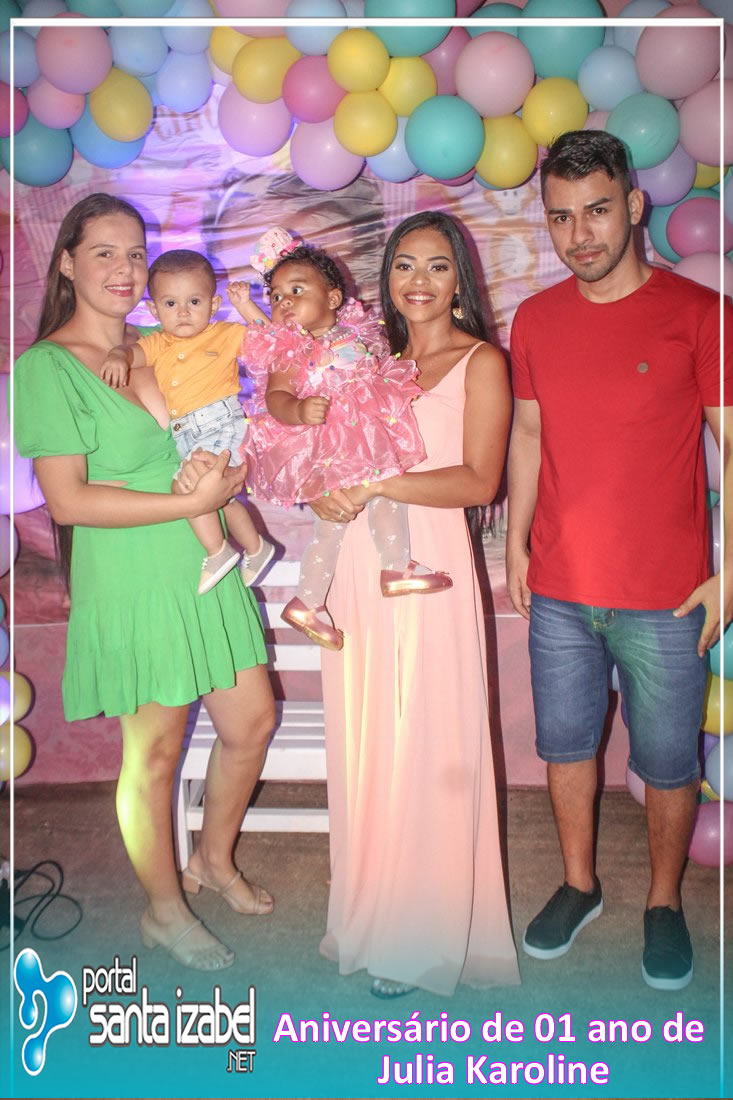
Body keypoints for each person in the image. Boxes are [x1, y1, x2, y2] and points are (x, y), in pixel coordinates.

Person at [13, 193, 277, 972]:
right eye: (104, 252)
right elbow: (68, 500)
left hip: (204, 562)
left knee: (251, 723)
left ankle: (213, 861)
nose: (125, 268)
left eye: (135, 252)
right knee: (154, 755)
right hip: (131, 573)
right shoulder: (46, 367)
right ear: (67, 262)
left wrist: (229, 476)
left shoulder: (158, 341)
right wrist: (190, 503)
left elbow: (209, 428)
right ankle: (163, 910)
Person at [506, 129, 732, 991]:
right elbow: (528, 437)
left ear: (633, 206)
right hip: (561, 589)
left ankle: (663, 902)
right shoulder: (534, 319)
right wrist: (514, 540)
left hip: (666, 598)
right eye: (561, 217)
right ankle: (579, 885)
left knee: (669, 762)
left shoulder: (701, 315)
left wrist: (730, 572)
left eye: (596, 210)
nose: (580, 235)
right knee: (565, 747)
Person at [312, 210, 520, 997]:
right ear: (387, 279)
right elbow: (333, 457)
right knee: (368, 735)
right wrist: (327, 492)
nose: (418, 280)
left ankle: (420, 938)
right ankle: (368, 913)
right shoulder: (370, 364)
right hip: (359, 565)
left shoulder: (481, 362)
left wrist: (377, 483)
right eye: (404, 265)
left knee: (429, 738)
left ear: (459, 280)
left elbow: (479, 480)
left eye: (436, 265)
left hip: (430, 565)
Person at [237, 227, 451, 652]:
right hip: (332, 444)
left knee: (368, 505)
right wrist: (299, 410)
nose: (284, 302)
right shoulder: (289, 351)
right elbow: (275, 397)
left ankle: (311, 601)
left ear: (333, 299)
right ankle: (389, 570)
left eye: (297, 290)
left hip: (363, 431)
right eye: (276, 296)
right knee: (360, 507)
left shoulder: (355, 334)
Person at [98, 248, 274, 594]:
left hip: (221, 424)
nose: (183, 313)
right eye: (170, 303)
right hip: (187, 434)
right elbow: (133, 354)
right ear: (153, 310)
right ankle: (256, 548)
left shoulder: (225, 334)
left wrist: (246, 307)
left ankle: (218, 551)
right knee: (217, 497)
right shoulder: (157, 343)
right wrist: (117, 354)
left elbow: (271, 343)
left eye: (194, 302)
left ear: (213, 304)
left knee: (188, 488)